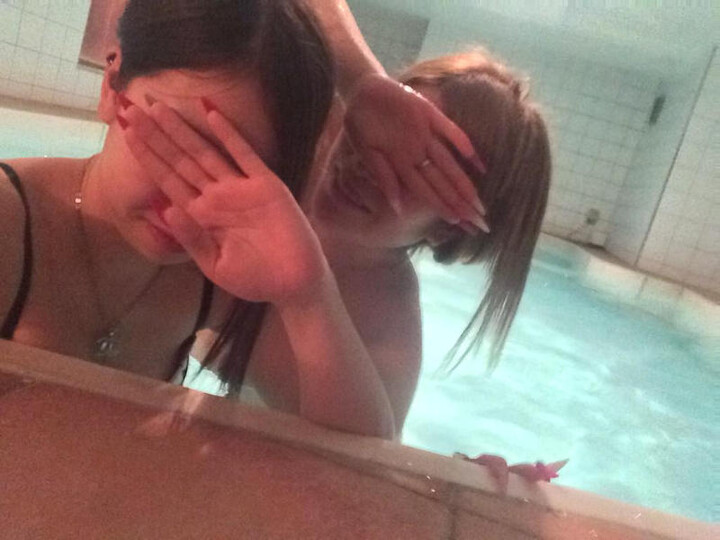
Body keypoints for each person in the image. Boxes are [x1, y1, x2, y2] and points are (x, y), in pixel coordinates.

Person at [0, 0, 403, 438]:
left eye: (238, 171)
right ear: (111, 86)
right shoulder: (10, 223)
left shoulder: (219, 278)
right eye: (175, 142)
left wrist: (308, 294)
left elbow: (363, 452)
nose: (188, 201)